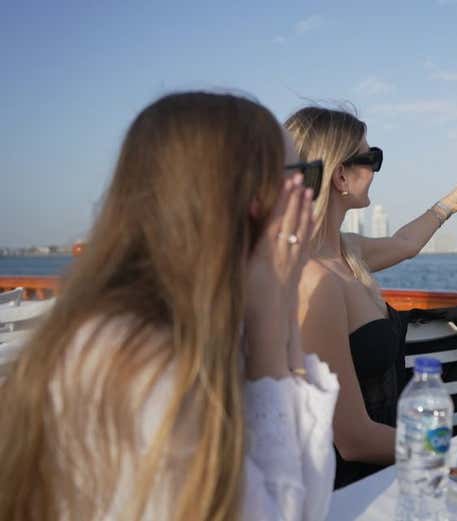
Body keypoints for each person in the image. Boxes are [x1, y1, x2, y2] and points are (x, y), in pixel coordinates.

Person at [0, 92, 339, 521]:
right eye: (304, 178)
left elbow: (309, 502)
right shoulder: (134, 358)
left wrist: (280, 300)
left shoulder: (205, 320)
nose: (309, 200)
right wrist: (272, 315)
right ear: (250, 196)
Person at [284, 106, 457, 488]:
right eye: (372, 157)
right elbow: (351, 439)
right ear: (341, 175)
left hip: (390, 468)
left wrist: (450, 204)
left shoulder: (348, 251)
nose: (378, 167)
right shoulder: (314, 280)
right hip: (349, 490)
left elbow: (404, 243)